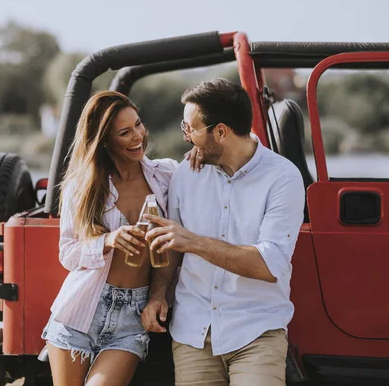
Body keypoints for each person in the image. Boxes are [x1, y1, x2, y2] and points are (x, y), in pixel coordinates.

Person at [141, 79, 306, 386]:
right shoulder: (185, 174)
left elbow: (269, 265)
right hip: (193, 330)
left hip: (256, 329)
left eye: (191, 129)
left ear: (220, 132)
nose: (186, 137)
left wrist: (193, 241)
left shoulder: (283, 178)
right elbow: (173, 246)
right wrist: (158, 293)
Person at [42, 90, 184, 386]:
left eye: (138, 125)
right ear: (105, 140)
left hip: (132, 315)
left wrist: (199, 152)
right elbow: (68, 254)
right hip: (81, 310)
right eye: (125, 132)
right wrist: (107, 241)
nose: (138, 137)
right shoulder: (82, 186)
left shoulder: (167, 175)